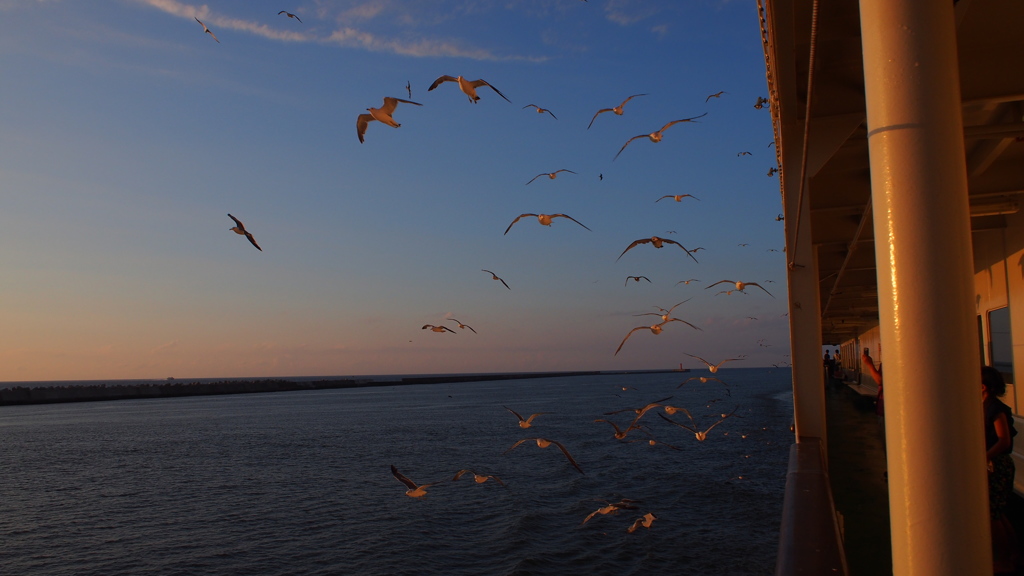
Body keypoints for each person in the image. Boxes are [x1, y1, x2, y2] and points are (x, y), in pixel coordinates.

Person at [981, 366, 1018, 573]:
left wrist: (984, 457)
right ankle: (1013, 555)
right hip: (994, 463)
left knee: (992, 514)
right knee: (998, 512)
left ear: (982, 386)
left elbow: (1004, 441)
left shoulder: (994, 408)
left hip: (998, 465)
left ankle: (1004, 561)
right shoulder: (986, 405)